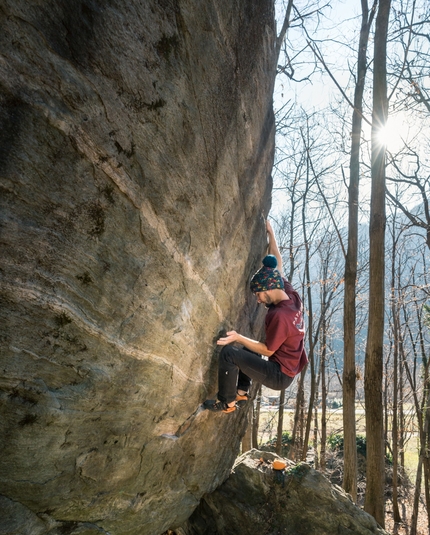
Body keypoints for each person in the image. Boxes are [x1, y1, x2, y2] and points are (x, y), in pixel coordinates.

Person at [204, 220, 308, 413]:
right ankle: (242, 392)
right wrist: (271, 233)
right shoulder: (291, 296)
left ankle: (227, 403)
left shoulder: (280, 315)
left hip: (279, 375)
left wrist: (236, 336)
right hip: (288, 368)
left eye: (258, 295)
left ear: (268, 288)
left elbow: (268, 351)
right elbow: (278, 263)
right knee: (248, 349)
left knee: (229, 353)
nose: (258, 300)